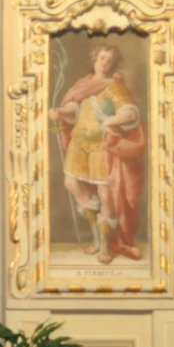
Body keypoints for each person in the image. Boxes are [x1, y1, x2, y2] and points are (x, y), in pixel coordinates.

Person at [52, 42, 146, 264]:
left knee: (106, 195)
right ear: (95, 58)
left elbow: (130, 112)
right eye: (103, 58)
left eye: (110, 60)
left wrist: (112, 120)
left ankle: (104, 244)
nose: (106, 63)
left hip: (101, 148)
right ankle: (95, 235)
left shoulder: (114, 86)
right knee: (71, 184)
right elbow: (75, 109)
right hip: (79, 145)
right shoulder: (83, 84)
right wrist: (60, 112)